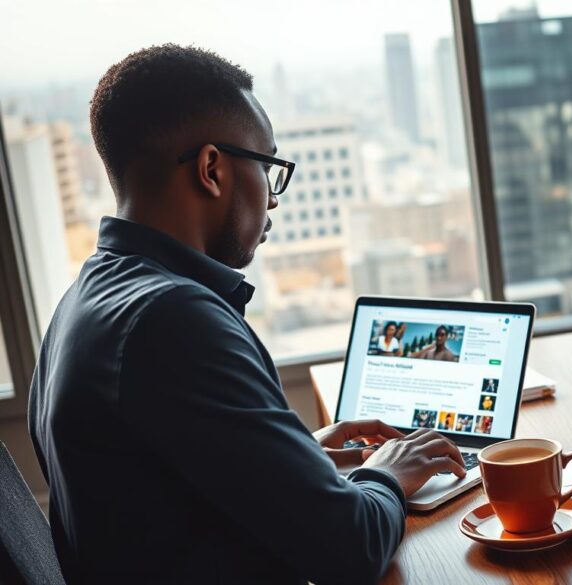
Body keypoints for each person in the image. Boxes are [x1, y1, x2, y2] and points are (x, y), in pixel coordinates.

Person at [27, 45, 464, 585]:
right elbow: (350, 548)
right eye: (269, 166)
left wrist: (297, 458)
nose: (274, 201)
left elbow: (159, 488)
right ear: (212, 169)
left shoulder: (84, 300)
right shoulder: (174, 321)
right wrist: (388, 475)